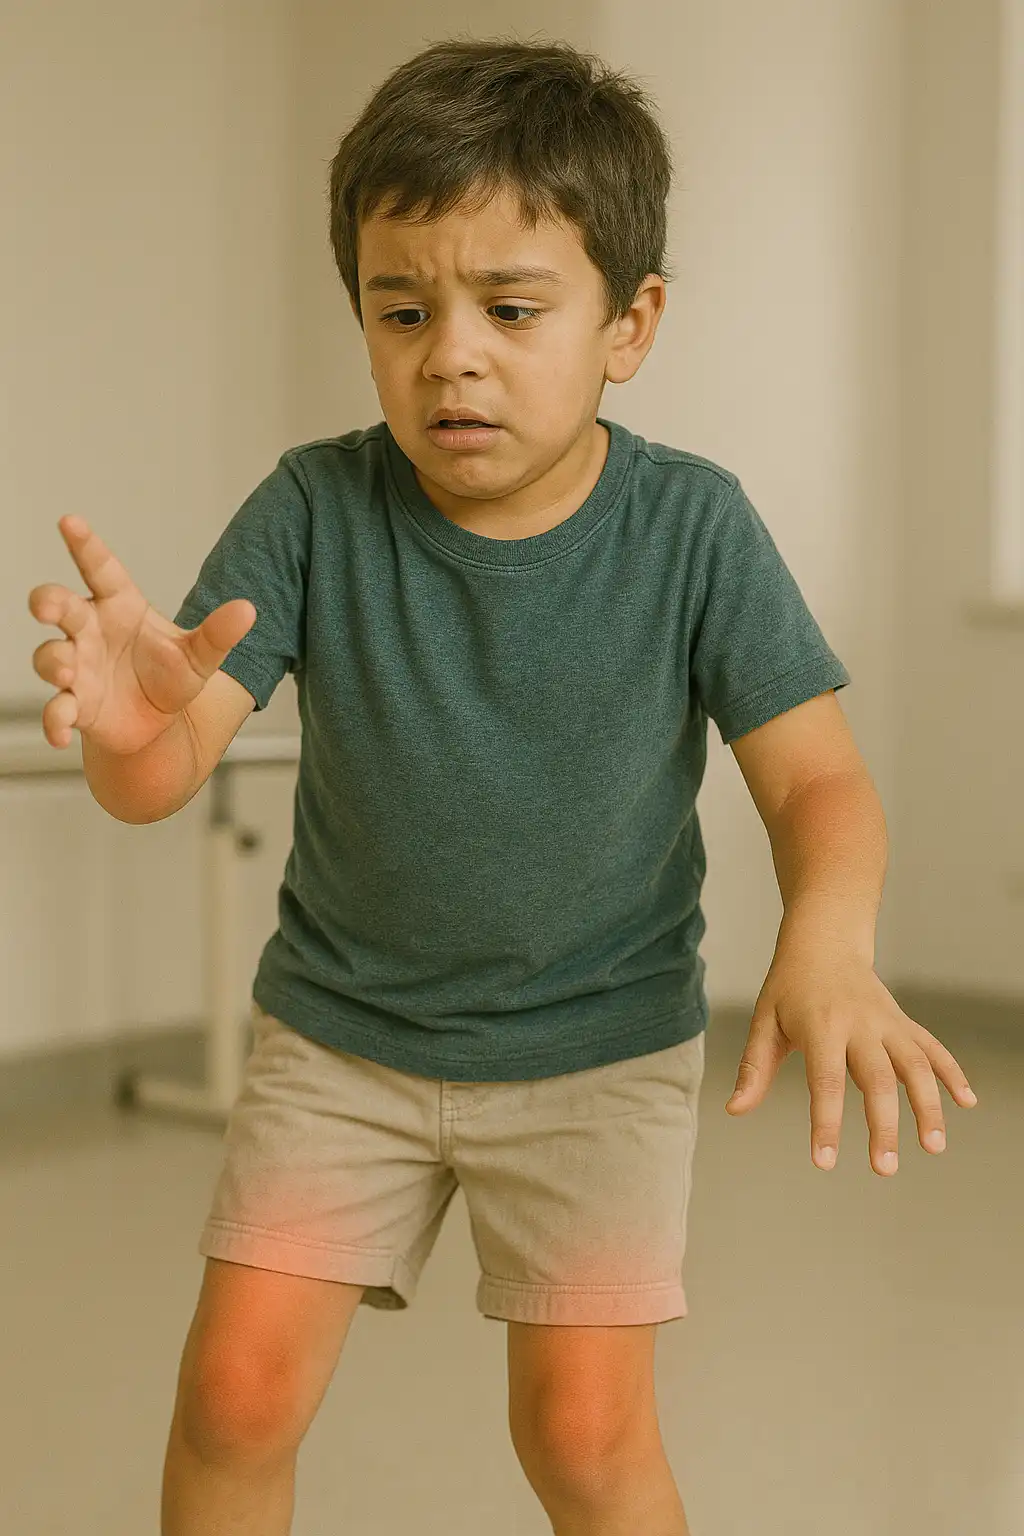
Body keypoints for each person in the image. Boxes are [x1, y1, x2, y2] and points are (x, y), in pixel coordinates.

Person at [27, 35, 978, 1536]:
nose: (449, 352)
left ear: (630, 323)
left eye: (510, 308)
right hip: (345, 1036)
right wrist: (139, 728)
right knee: (234, 1395)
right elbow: (158, 784)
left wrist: (831, 940)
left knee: (584, 1437)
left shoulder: (693, 530)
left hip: (596, 1049)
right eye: (400, 310)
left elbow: (820, 788)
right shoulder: (312, 508)